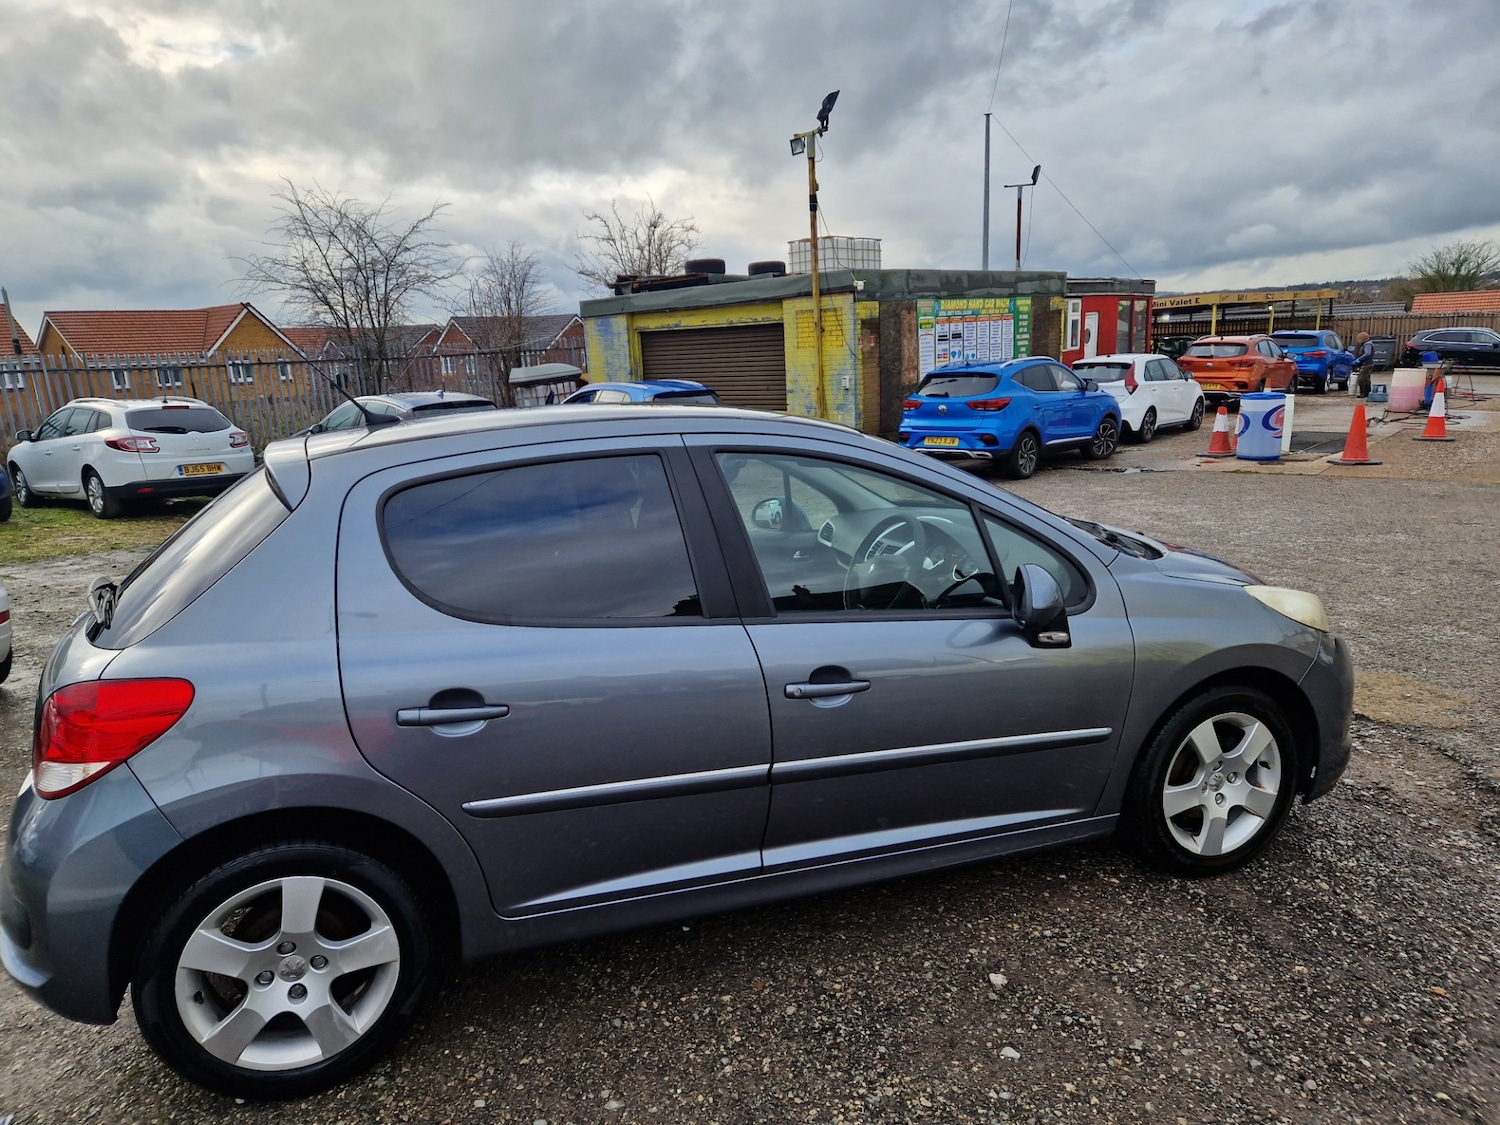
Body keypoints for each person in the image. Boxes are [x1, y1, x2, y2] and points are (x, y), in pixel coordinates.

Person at [1353, 332, 1376, 397]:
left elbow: (1367, 354)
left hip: (1366, 364)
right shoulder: (1368, 344)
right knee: (1366, 378)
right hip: (1368, 363)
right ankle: (1368, 392)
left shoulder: (1367, 345)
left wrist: (1359, 359)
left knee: (1361, 378)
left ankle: (1363, 393)